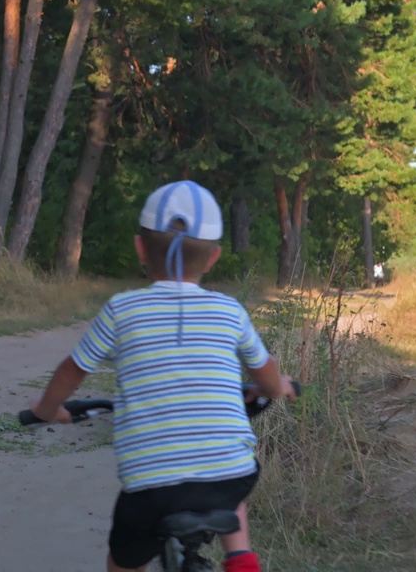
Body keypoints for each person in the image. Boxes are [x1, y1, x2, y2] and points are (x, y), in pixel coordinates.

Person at [28, 180, 297, 572]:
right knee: (230, 476)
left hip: (152, 488)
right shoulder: (230, 311)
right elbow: (267, 373)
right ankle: (239, 557)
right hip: (231, 476)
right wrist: (279, 388)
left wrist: (47, 410)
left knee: (122, 563)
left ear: (140, 248)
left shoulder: (122, 309)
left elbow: (73, 370)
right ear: (213, 258)